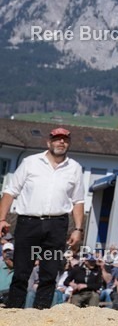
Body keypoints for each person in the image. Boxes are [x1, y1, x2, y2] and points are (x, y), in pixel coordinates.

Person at [0, 126, 86, 310]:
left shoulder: (75, 168)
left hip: (57, 225)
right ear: (49, 142)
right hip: (28, 223)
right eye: (57, 139)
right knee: (22, 271)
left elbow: (78, 201)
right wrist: (1, 219)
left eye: (65, 139)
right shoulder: (30, 162)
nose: (61, 142)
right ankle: (14, 310)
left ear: (68, 143)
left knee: (49, 272)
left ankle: (41, 312)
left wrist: (78, 229)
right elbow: (9, 191)